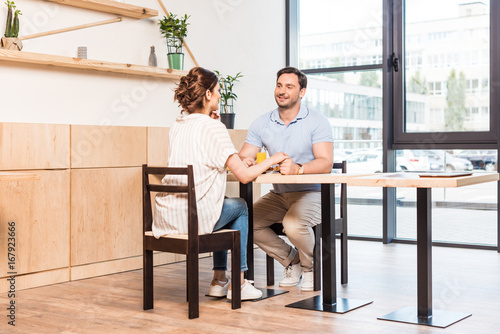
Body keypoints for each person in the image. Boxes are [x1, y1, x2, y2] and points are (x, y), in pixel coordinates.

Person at [153, 67, 287, 300]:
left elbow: (203, 155)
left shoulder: (178, 125)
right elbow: (244, 176)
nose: (218, 96)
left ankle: (219, 280)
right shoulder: (215, 128)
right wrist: (274, 158)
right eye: (217, 91)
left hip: (168, 216)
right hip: (194, 218)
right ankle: (240, 283)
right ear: (207, 95)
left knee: (225, 205)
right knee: (241, 207)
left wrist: (210, 121)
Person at [239, 67, 333, 291]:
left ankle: (312, 269)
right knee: (246, 222)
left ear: (302, 92)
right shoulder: (262, 122)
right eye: (279, 85)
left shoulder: (317, 121)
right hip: (279, 194)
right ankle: (293, 261)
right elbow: (244, 155)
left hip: (313, 192)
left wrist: (298, 169)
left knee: (293, 224)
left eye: (289, 87)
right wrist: (248, 161)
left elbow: (326, 162)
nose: (282, 91)